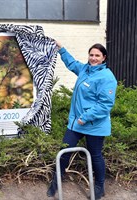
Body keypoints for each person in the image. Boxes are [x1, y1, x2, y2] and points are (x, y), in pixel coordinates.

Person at [47, 42, 117, 200]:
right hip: (76, 124)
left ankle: (100, 186)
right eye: (91, 55)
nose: (93, 58)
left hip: (94, 125)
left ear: (104, 58)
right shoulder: (85, 70)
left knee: (95, 155)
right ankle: (56, 181)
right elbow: (72, 63)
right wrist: (61, 49)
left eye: (97, 55)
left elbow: (104, 105)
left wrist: (83, 118)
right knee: (64, 152)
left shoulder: (107, 77)